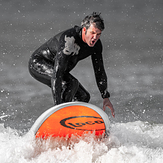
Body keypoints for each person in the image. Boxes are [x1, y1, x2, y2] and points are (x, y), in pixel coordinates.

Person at [28, 12, 115, 117]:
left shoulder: (96, 46)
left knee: (83, 97)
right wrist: (58, 107)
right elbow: (57, 74)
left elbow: (99, 70)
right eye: (92, 33)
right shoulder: (69, 41)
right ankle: (62, 117)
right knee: (70, 83)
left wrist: (105, 97)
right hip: (38, 63)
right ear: (84, 30)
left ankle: (75, 122)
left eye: (98, 34)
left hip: (58, 69)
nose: (95, 37)